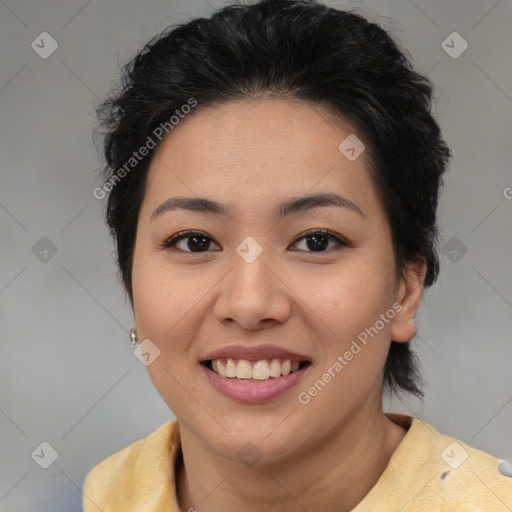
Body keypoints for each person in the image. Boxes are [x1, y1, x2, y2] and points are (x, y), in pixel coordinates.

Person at [83, 1, 512, 510]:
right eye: (195, 241)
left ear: (405, 289)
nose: (249, 303)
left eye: (317, 241)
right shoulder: (110, 494)